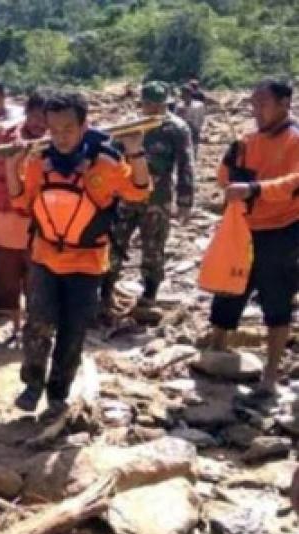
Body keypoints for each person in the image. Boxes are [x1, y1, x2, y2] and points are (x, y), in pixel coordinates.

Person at [6, 92, 151, 415]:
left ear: (85, 126)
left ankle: (58, 392)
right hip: (45, 257)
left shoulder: (105, 162)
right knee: (38, 324)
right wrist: (12, 166)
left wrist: (136, 152)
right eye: (53, 129)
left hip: (87, 262)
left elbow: (139, 191)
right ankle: (32, 383)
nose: (60, 137)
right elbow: (21, 202)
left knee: (73, 331)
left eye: (68, 129)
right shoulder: (37, 162)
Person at [208, 78, 299, 405]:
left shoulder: (294, 140)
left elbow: (294, 182)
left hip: (282, 229)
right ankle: (216, 351)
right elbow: (223, 178)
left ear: (284, 103)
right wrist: (231, 165)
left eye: (263, 103)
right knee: (230, 287)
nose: (256, 110)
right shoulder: (247, 140)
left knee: (277, 299)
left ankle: (270, 375)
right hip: (245, 227)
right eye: (253, 103)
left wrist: (255, 189)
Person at [102, 81, 194, 314]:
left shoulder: (177, 128)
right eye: (149, 104)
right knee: (113, 244)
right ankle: (105, 294)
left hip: (157, 199)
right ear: (141, 103)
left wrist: (185, 201)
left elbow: (186, 165)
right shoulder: (131, 126)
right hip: (125, 195)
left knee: (153, 247)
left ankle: (149, 296)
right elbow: (111, 158)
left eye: (158, 105)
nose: (153, 110)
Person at [0, 92, 48, 338]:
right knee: (8, 274)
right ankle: (15, 325)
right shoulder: (6, 136)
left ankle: (36, 324)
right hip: (6, 216)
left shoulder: (58, 141)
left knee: (37, 274)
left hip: (39, 219)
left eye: (43, 118)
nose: (38, 123)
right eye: (34, 116)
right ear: (26, 114)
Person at [176, 84, 206, 160]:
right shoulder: (179, 105)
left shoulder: (199, 105)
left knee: (193, 149)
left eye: (184, 94)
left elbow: (201, 118)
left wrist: (197, 127)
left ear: (189, 94)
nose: (182, 96)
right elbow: (176, 118)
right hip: (182, 130)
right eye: (182, 94)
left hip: (194, 130)